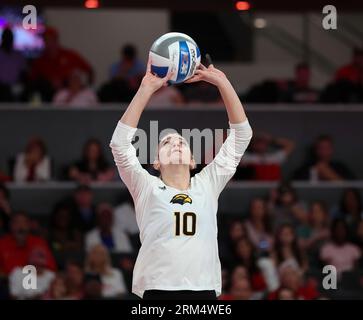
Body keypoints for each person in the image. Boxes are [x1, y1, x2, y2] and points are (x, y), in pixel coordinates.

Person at [109, 58, 253, 299]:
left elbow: (242, 135)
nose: (175, 142)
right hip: (158, 289)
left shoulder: (207, 183)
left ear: (192, 161)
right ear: (156, 162)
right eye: (166, 142)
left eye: (182, 142)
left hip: (202, 289)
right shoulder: (146, 186)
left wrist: (222, 83)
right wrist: (145, 90)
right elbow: (119, 144)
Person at [30, 26, 93, 102]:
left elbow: (89, 71)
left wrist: (81, 88)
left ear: (56, 40)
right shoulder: (40, 61)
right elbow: (33, 80)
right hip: (48, 95)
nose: (49, 43)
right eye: (46, 40)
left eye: (51, 39)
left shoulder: (70, 55)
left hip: (68, 91)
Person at [0, 27, 27, 102]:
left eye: (10, 38)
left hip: (16, 86)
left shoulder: (18, 55)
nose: (8, 40)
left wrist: (21, 83)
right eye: (6, 37)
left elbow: (23, 73)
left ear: (13, 39)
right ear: (2, 38)